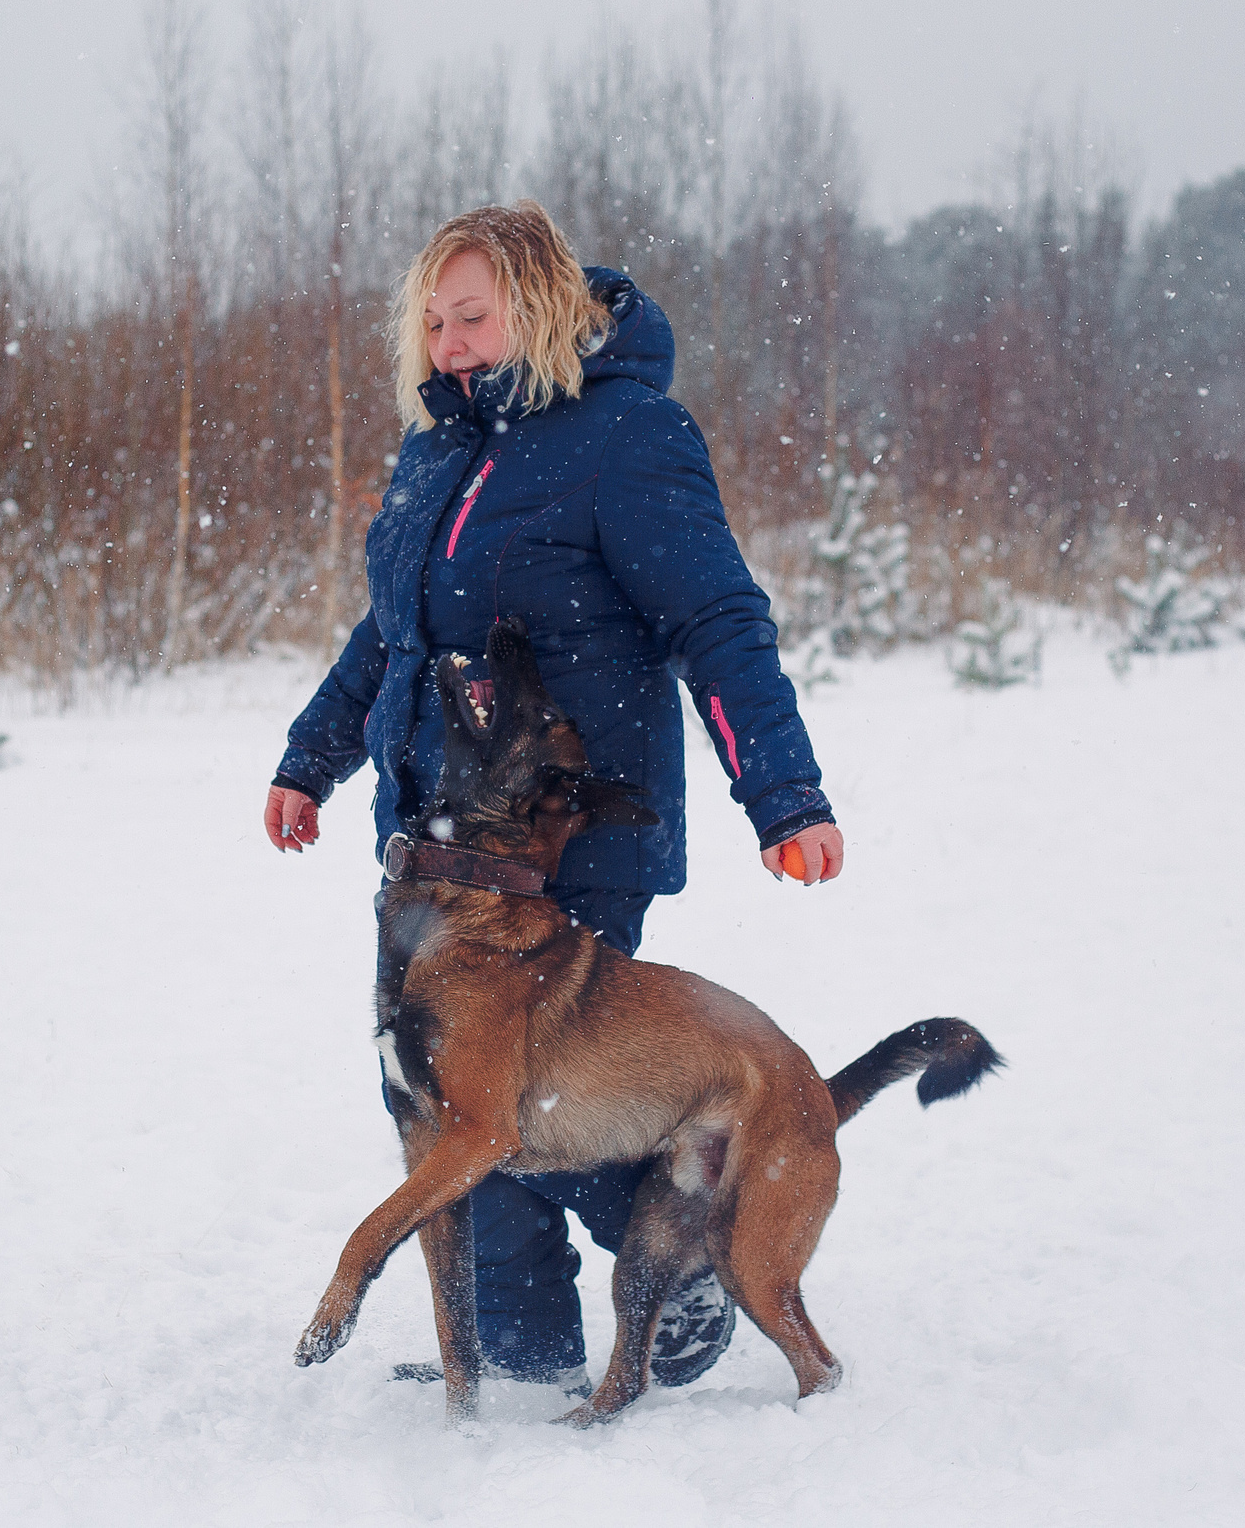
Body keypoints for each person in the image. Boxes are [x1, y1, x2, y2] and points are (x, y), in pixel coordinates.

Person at [262, 200, 843, 1395]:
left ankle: (688, 1259)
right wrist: (310, 759)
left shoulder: (626, 435)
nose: (449, 344)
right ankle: (525, 1351)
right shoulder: (437, 452)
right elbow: (393, 634)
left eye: (473, 318)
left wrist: (783, 795)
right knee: (447, 1101)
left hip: (565, 835)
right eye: (434, 321)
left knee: (534, 1103)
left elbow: (715, 620)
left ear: (537, 311)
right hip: (431, 844)